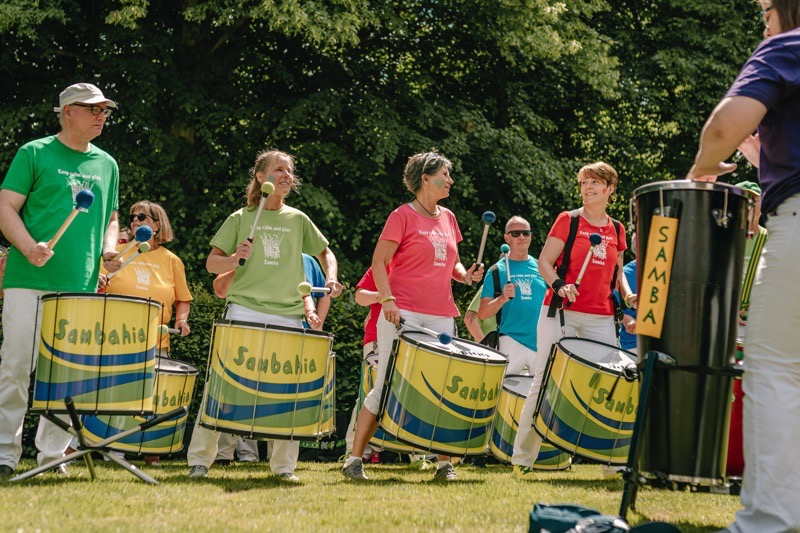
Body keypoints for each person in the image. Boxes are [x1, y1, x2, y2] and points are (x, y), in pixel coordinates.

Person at [686, 3, 800, 528]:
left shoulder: (787, 46)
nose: (763, 23)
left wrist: (704, 167)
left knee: (776, 369)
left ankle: (770, 521)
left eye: (765, 11)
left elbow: (725, 123)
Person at [186, 149, 341, 482]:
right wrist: (234, 258)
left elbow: (325, 252)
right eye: (278, 170)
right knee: (221, 386)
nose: (286, 175)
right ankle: (200, 461)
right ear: (260, 177)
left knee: (288, 393)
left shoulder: (298, 219)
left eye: (289, 170)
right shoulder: (241, 217)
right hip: (243, 309)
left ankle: (284, 468)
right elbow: (212, 263)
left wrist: (329, 277)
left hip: (287, 315)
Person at [0, 83, 120, 479]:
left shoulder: (108, 163)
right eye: (94, 109)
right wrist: (28, 244)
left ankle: (52, 456)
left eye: (105, 110)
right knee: (17, 366)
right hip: (27, 279)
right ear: (68, 111)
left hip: (80, 283)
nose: (102, 116)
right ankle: (4, 454)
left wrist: (108, 250)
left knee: (65, 374)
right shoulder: (34, 152)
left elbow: (110, 217)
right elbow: (5, 207)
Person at [341, 150, 484, 481]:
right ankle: (354, 459)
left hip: (442, 315)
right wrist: (387, 299)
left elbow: (453, 263)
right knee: (388, 382)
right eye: (445, 174)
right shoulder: (401, 216)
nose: (450, 180)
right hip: (401, 312)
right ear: (425, 178)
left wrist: (466, 275)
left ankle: (444, 465)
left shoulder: (448, 217)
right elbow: (379, 262)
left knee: (442, 387)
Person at [511, 161, 636, 481]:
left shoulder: (617, 229)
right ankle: (523, 457)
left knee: (612, 383)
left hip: (602, 316)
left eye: (595, 182)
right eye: (584, 182)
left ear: (610, 189)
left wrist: (628, 295)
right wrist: (559, 285)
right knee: (545, 379)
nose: (588, 188)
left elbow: (617, 272)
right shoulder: (568, 221)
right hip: (560, 311)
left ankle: (613, 461)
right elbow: (545, 262)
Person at [214, 253, 330, 464]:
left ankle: (276, 459)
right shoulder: (262, 255)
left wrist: (316, 321)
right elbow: (221, 287)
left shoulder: (308, 261)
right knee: (241, 389)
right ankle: (234, 454)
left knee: (279, 396)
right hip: (255, 329)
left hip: (293, 333)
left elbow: (316, 294)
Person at [103, 201, 193, 466]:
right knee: (113, 393)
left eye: (142, 217)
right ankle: (112, 449)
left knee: (149, 396)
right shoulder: (116, 252)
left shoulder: (172, 261)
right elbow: (98, 283)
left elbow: (183, 299)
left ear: (157, 224)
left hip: (156, 339)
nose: (135, 221)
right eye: (132, 217)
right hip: (115, 337)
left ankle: (150, 450)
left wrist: (182, 320)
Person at [477, 216, 548, 376]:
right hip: (510, 340)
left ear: (531, 235)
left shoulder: (542, 267)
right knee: (502, 391)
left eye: (526, 233)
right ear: (506, 238)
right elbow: (482, 313)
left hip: (541, 341)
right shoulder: (496, 271)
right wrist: (502, 298)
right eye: (515, 234)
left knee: (540, 397)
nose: (522, 237)